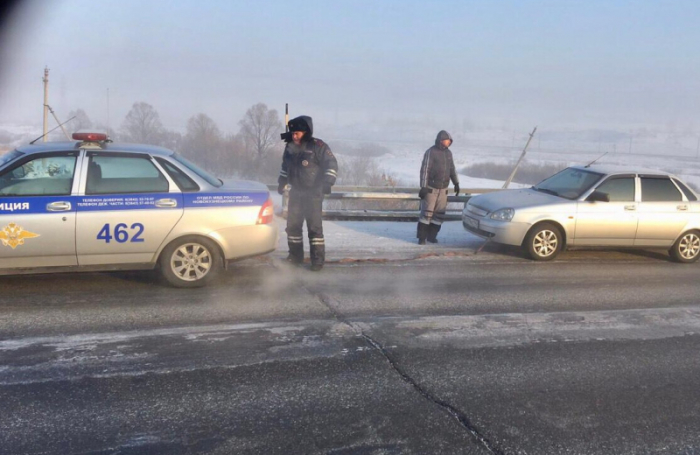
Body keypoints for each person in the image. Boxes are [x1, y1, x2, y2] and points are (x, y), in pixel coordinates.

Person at [277, 115, 338, 271]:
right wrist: (282, 181)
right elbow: (285, 167)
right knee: (293, 227)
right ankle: (295, 257)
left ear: (306, 132)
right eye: (293, 133)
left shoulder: (318, 146)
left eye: (297, 133)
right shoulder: (290, 147)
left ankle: (317, 261)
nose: (294, 136)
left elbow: (331, 165)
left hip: (313, 193)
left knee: (314, 228)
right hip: (296, 193)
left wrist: (327, 183)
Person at [417, 130, 460, 245]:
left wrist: (456, 183)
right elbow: (425, 170)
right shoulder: (431, 152)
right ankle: (422, 238)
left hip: (443, 189)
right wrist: (423, 186)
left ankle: (432, 236)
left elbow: (452, 169)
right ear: (441, 141)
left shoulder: (448, 153)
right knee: (427, 214)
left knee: (439, 215)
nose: (449, 142)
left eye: (450, 141)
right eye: (447, 140)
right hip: (431, 188)